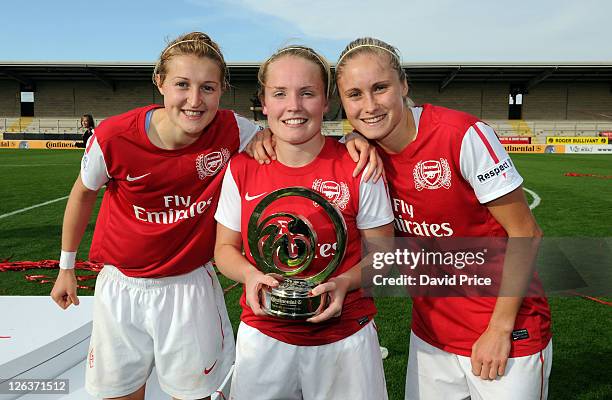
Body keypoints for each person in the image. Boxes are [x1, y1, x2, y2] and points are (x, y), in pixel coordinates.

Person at [50, 32, 377, 400]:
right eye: (181, 85)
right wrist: (67, 266)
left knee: (195, 393)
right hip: (122, 284)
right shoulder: (114, 135)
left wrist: (355, 138)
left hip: (190, 286)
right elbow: (82, 194)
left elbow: (288, 128)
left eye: (207, 87)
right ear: (159, 83)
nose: (194, 100)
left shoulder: (234, 130)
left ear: (222, 89)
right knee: (118, 392)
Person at [335, 37, 553, 400]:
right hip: (430, 335)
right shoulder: (361, 153)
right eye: (354, 94)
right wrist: (349, 140)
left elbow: (525, 232)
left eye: (380, 88)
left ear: (403, 85)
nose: (369, 105)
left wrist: (499, 330)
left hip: (504, 330)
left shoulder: (461, 136)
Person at [214, 45, 395, 400]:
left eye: (307, 93)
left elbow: (385, 256)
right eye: (280, 93)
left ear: (325, 102)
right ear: (264, 103)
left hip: (346, 339)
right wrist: (250, 275)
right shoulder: (242, 168)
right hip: (263, 338)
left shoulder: (359, 165)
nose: (293, 106)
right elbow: (224, 249)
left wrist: (344, 283)